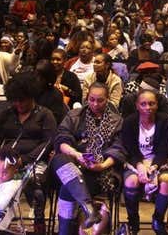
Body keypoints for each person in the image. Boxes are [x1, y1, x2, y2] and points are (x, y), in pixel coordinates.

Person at [0, 71, 56, 233]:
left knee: (37, 185)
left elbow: (48, 143)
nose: (19, 104)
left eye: (23, 100)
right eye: (15, 101)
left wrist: (24, 160)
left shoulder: (45, 115)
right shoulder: (6, 114)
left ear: (32, 96)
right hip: (6, 162)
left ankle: (39, 222)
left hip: (34, 161)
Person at [51, 82, 124, 235]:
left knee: (68, 185)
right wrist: (77, 155)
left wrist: (101, 166)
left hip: (102, 172)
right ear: (86, 98)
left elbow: (119, 149)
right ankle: (88, 208)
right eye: (91, 99)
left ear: (108, 99)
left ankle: (69, 227)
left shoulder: (117, 121)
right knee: (60, 159)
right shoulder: (75, 115)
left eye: (100, 100)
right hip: (76, 163)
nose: (95, 104)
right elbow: (61, 140)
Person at [120, 89, 168, 235]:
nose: (147, 108)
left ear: (157, 105)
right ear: (137, 105)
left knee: (167, 180)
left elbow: (164, 149)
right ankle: (133, 222)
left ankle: (158, 220)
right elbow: (130, 150)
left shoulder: (165, 121)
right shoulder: (129, 122)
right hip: (135, 161)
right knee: (131, 181)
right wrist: (140, 165)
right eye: (143, 104)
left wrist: (154, 167)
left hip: (158, 161)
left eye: (151, 104)